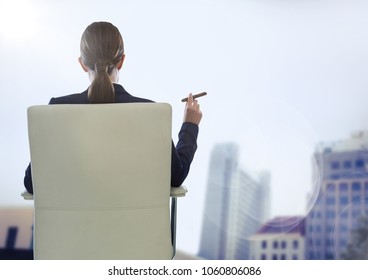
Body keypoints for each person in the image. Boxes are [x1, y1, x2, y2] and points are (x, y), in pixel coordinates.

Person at [23, 21, 202, 194]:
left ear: (83, 64)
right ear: (122, 61)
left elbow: (31, 184)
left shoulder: (57, 110)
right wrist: (190, 126)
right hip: (136, 226)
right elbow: (176, 177)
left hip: (70, 226)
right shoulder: (150, 112)